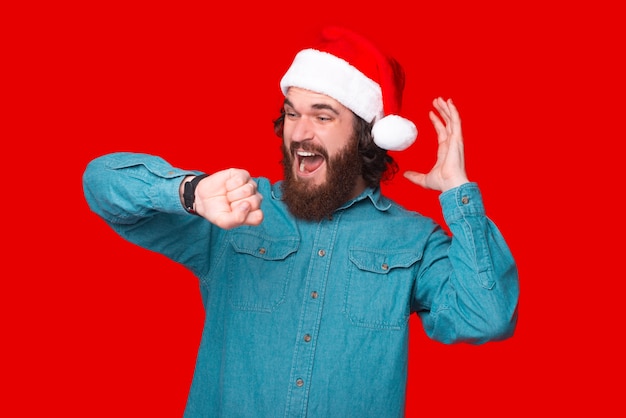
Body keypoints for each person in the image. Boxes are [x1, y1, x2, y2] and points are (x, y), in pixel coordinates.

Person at [83, 26, 519, 417]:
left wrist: (458, 194)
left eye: (322, 116)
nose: (299, 131)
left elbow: (487, 317)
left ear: (365, 136)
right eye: (292, 113)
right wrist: (190, 192)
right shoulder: (238, 207)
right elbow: (101, 184)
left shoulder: (413, 241)